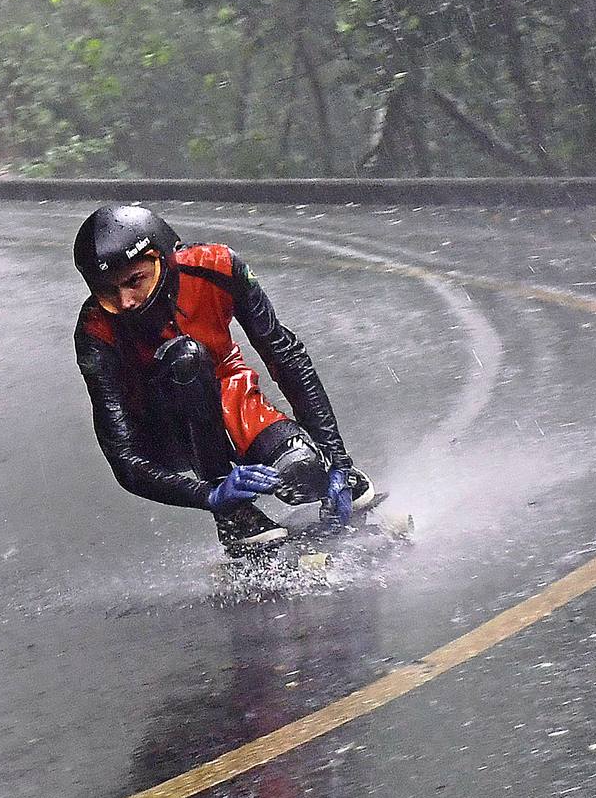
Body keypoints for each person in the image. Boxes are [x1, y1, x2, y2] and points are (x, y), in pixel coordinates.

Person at [72, 205, 374, 555]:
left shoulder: (218, 266)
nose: (125, 302)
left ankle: (329, 483)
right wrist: (212, 496)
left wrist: (337, 460)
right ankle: (235, 517)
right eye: (109, 291)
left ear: (164, 261)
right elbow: (124, 459)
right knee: (187, 358)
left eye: (135, 281)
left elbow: (286, 358)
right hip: (162, 430)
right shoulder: (95, 328)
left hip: (230, 395)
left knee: (303, 471)